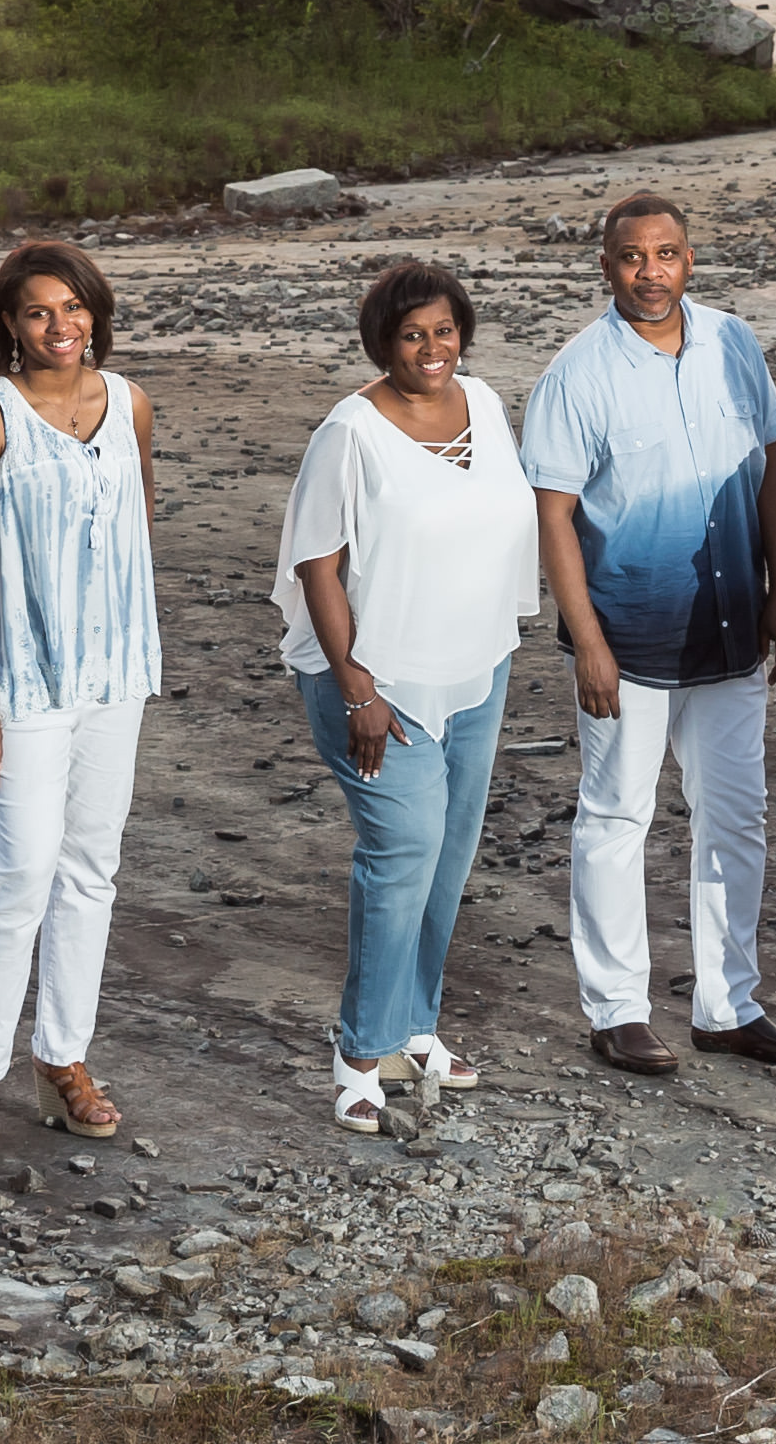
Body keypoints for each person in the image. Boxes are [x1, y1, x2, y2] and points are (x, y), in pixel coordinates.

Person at [526, 190, 776, 1078]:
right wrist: (585, 638)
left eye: (665, 254)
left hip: (736, 626)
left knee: (736, 818)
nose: (649, 273)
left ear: (688, 258)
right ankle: (617, 1011)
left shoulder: (735, 343)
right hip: (628, 637)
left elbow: (769, 463)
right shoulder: (576, 376)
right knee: (617, 816)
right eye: (631, 257)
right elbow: (554, 516)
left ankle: (727, 1006)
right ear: (606, 266)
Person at [279, 255, 542, 1138]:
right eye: (410, 335)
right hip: (377, 682)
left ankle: (412, 1028)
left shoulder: (487, 404)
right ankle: (359, 1055)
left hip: (475, 667)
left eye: (443, 330)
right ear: (381, 344)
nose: (431, 348)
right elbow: (316, 562)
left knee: (449, 856)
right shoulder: (349, 434)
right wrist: (355, 683)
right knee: (402, 854)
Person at [0, 239, 163, 1161]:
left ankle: (63, 1061)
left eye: (73, 308)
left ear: (96, 314)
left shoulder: (131, 404)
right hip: (22, 679)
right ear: (8, 325)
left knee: (91, 868)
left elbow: (137, 517)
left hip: (116, 675)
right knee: (21, 867)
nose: (59, 326)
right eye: (38, 312)